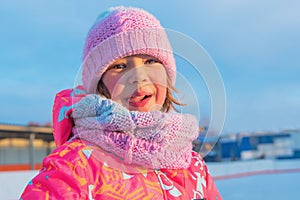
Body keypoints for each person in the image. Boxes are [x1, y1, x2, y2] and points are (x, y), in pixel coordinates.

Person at [20, 6, 222, 199]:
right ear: (99, 85)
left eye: (150, 61)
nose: (138, 76)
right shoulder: (75, 166)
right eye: (119, 66)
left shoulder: (192, 163)